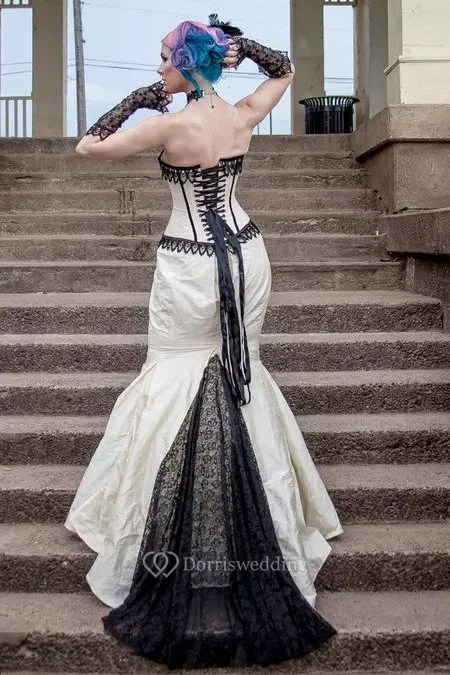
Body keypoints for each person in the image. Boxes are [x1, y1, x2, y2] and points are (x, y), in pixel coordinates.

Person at [65, 14, 344, 671]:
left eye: (164, 59)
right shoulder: (243, 113)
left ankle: (146, 514)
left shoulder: (168, 126)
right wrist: (241, 46)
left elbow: (88, 147)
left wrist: (142, 99)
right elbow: (285, 71)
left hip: (188, 263)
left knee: (172, 369)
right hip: (247, 256)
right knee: (241, 370)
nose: (157, 68)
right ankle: (272, 507)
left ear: (185, 65)